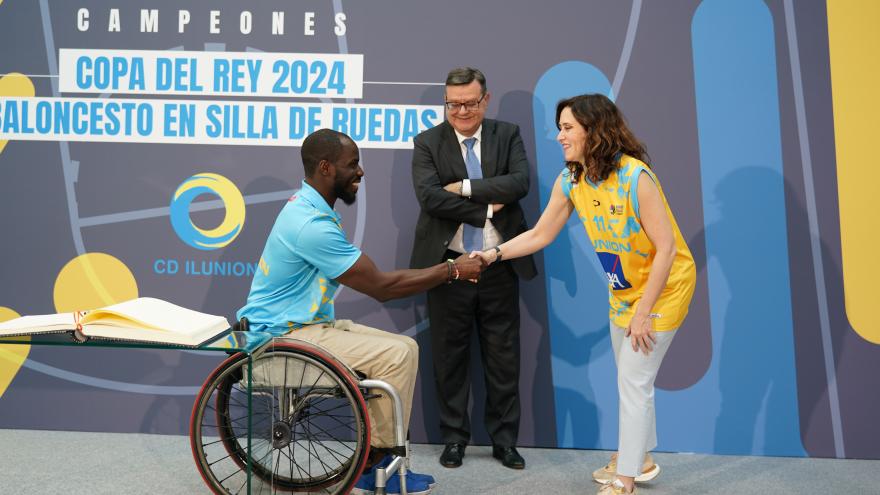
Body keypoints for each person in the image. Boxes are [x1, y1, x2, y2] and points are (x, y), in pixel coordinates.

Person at [237, 128, 484, 495]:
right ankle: (377, 464)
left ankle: (376, 459)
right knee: (397, 353)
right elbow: (383, 287)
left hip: (300, 328)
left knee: (405, 348)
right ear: (325, 168)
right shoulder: (310, 225)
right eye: (352, 164)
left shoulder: (309, 209)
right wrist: (453, 270)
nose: (361, 172)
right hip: (279, 339)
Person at [472, 94, 696, 495]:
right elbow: (541, 234)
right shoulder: (572, 179)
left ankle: (624, 479)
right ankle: (640, 457)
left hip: (665, 289)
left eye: (567, 128)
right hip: (623, 290)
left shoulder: (635, 177)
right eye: (560, 128)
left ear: (595, 131)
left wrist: (644, 312)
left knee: (634, 381)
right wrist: (493, 254)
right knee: (631, 380)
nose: (559, 136)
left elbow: (666, 249)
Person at [410, 67, 537, 470]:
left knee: (503, 357)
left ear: (485, 99)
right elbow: (430, 198)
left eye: (469, 102)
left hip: (499, 264)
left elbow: (518, 183)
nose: (461, 111)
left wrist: (463, 188)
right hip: (449, 267)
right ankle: (453, 439)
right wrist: (485, 203)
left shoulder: (507, 134)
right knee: (449, 358)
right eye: (453, 103)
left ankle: (504, 441)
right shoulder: (427, 142)